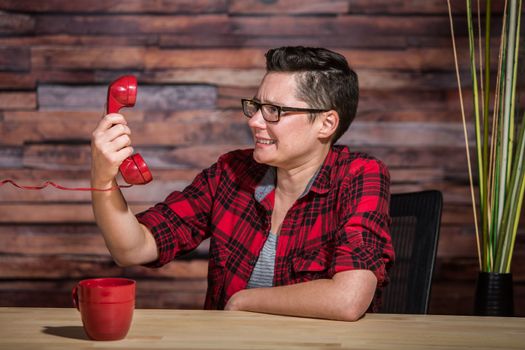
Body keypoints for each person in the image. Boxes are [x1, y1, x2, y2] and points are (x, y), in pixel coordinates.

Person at [90, 46, 394, 321]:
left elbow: (348, 299)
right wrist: (102, 177)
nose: (255, 121)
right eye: (256, 106)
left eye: (274, 111)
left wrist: (242, 301)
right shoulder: (230, 172)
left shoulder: (360, 175)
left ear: (326, 123)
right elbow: (133, 249)